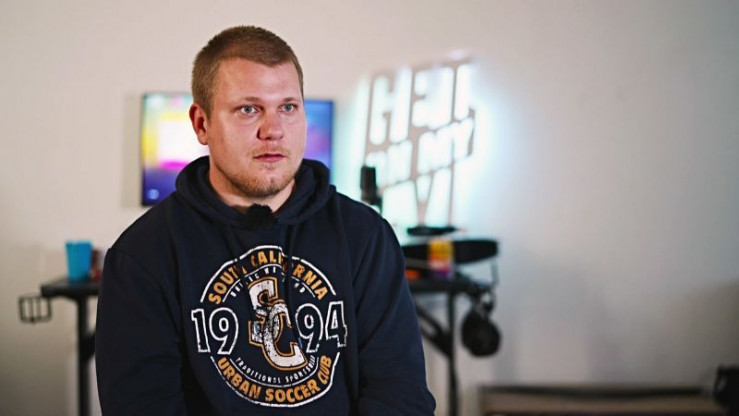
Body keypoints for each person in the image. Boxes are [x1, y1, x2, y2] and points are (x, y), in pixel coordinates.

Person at [95, 25, 435, 415]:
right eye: (248, 109)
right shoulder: (143, 256)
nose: (273, 130)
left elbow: (400, 395)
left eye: (287, 108)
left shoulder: (365, 236)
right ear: (202, 124)